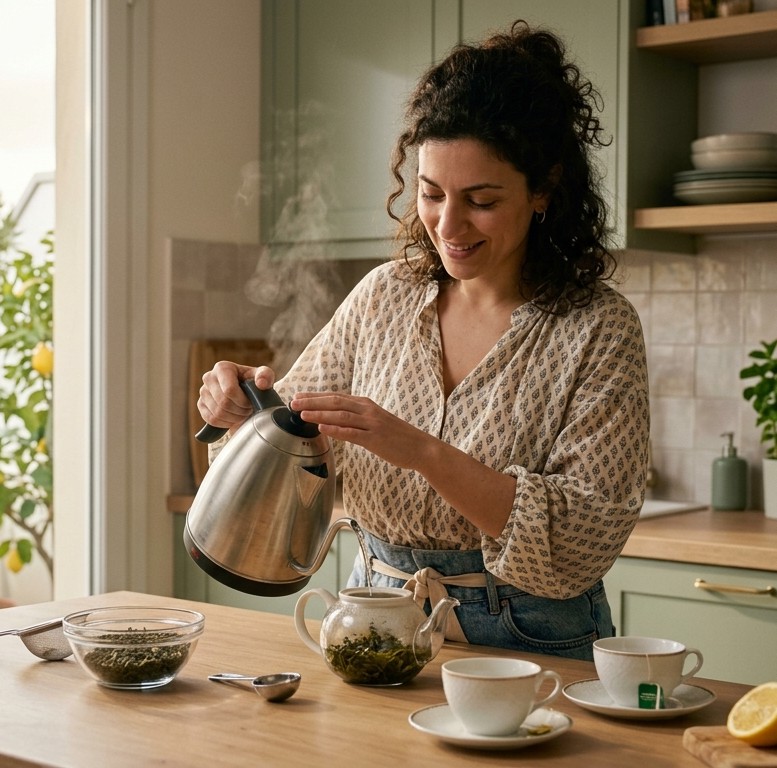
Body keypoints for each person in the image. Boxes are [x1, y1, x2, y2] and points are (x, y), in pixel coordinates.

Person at [197, 20, 650, 661]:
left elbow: (582, 536)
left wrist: (420, 451)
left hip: (533, 634)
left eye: (482, 200)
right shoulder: (384, 295)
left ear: (544, 190)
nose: (448, 223)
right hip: (373, 610)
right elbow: (292, 443)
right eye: (432, 193)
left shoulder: (597, 329)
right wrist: (241, 413)